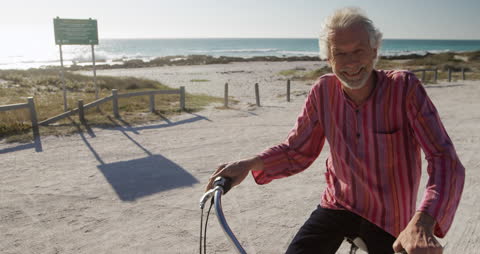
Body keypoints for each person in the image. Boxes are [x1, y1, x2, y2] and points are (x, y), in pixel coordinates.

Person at [205, 7, 465, 254]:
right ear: (328, 58)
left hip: (390, 217)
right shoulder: (323, 91)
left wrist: (423, 221)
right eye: (340, 53)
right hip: (338, 204)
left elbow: (444, 159)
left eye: (359, 50)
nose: (351, 62)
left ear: (375, 50)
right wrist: (249, 164)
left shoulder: (404, 87)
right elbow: (298, 150)